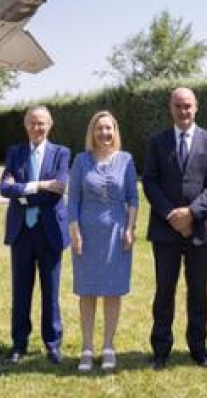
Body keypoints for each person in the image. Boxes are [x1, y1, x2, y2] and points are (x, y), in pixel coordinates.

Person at [143, 88, 207, 370]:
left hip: (200, 228)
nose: (183, 111)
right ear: (171, 108)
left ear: (196, 107)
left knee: (198, 291)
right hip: (165, 230)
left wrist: (191, 213)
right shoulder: (157, 141)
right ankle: (161, 350)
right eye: (178, 106)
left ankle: (199, 349)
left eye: (188, 106)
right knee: (165, 290)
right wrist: (171, 214)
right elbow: (150, 182)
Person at [0, 106, 71, 366]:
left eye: (41, 123)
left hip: (49, 230)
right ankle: (19, 344)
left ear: (49, 125)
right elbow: (4, 189)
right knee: (21, 291)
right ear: (25, 125)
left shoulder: (61, 153)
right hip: (21, 232)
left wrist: (22, 192)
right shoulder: (15, 153)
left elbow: (58, 189)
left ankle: (52, 344)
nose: (36, 128)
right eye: (32, 123)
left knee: (50, 291)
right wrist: (39, 185)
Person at [68, 111, 138, 372]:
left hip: (116, 236)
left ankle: (108, 346)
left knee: (112, 290)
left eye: (109, 128)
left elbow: (133, 197)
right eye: (99, 129)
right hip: (86, 235)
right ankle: (87, 348)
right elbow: (73, 199)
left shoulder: (126, 160)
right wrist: (74, 232)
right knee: (87, 291)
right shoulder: (81, 161)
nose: (104, 133)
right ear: (92, 132)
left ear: (115, 131)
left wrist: (130, 228)